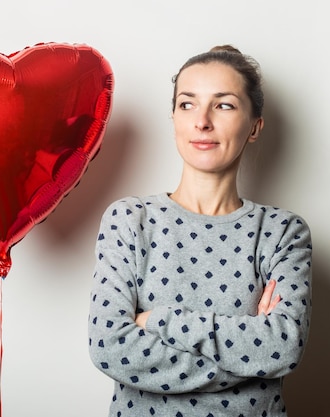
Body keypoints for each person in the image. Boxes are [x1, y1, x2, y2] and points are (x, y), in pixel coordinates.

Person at [88, 45, 313, 417]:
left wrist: (160, 322)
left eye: (223, 105)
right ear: (174, 117)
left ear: (255, 126)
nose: (202, 121)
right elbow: (109, 347)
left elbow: (283, 348)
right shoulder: (130, 219)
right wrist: (249, 360)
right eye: (187, 104)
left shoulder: (282, 232)